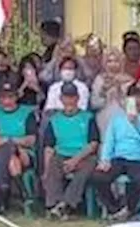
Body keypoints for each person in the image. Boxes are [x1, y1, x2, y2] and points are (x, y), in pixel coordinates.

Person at [91, 83, 140, 221]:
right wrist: (105, 159)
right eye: (133, 98)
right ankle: (114, 208)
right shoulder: (117, 119)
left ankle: (130, 208)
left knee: (139, 179)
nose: (136, 101)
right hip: (119, 157)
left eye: (139, 98)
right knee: (98, 176)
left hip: (139, 158)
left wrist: (137, 123)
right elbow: (109, 141)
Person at [42, 83, 100, 219]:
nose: (69, 101)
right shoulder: (54, 120)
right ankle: (53, 204)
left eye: (72, 97)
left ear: (77, 98)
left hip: (82, 155)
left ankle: (67, 204)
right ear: (61, 99)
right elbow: (49, 147)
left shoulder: (88, 118)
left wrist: (75, 160)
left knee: (89, 165)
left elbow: (93, 143)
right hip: (61, 154)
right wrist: (46, 169)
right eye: (66, 97)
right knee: (52, 165)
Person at [0, 80, 39, 212]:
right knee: (10, 156)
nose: (6, 101)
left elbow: (31, 140)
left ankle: (4, 195)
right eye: (3, 97)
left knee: (8, 149)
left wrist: (9, 140)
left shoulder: (27, 113)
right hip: (0, 155)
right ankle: (23, 193)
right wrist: (15, 143)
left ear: (17, 97)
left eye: (10, 97)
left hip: (25, 154)